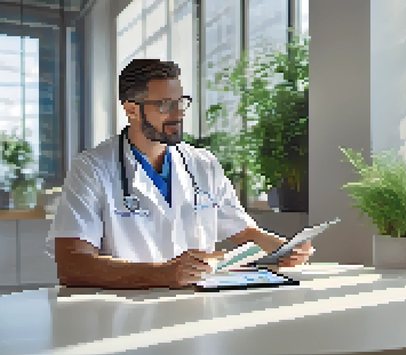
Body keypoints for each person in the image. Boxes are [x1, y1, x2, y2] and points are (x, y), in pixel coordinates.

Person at [46, 59, 313, 289]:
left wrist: (283, 249)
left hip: (198, 305)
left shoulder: (203, 163)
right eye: (164, 105)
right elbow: (72, 264)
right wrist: (162, 274)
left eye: (180, 103)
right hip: (126, 311)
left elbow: (244, 232)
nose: (178, 114)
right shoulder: (92, 168)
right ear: (131, 110)